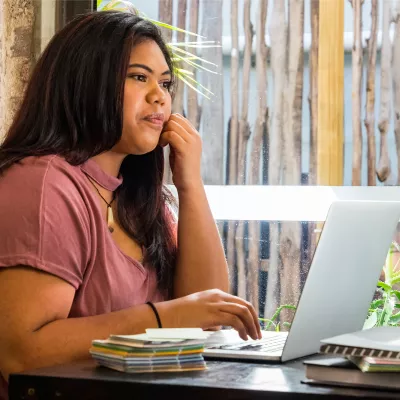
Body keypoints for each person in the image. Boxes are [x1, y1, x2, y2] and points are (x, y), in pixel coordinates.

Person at [0, 10, 261, 398]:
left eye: (166, 82)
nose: (160, 96)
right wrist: (163, 319)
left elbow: (209, 315)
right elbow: (20, 354)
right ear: (86, 83)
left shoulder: (135, 197)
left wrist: (190, 183)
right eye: (139, 77)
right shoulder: (42, 184)